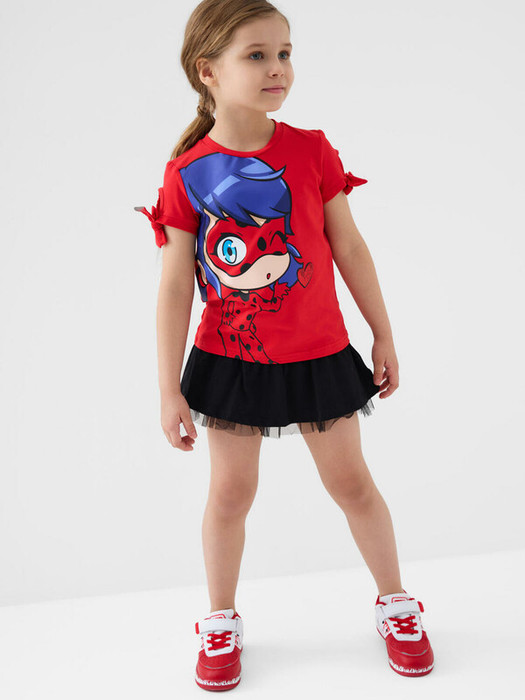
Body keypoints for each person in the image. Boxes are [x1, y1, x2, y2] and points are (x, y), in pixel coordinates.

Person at [134, 0, 434, 690]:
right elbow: (175, 286)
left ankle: (395, 603)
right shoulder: (187, 172)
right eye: (257, 55)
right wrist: (168, 387)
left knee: (352, 484)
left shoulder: (310, 150)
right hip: (231, 361)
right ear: (207, 71)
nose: (278, 68)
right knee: (230, 494)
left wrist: (382, 331)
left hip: (321, 353)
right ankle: (219, 619)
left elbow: (348, 245)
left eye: (285, 53)